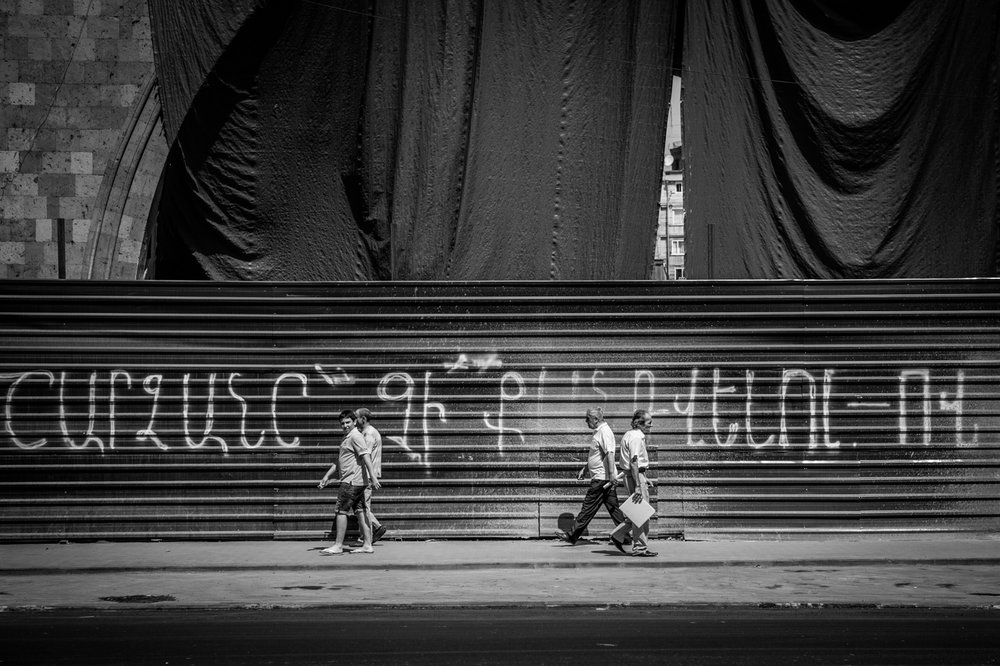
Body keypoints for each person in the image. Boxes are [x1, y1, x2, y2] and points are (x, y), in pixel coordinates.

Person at [554, 407, 630, 552]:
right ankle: (625, 536)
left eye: (587, 418)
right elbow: (597, 455)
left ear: (596, 419)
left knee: (588, 507)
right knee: (614, 509)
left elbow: (610, 454)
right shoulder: (599, 432)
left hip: (601, 479)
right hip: (603, 477)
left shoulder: (604, 432)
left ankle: (571, 535)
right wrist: (585, 468)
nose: (585, 421)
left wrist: (612, 475)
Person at [318, 410, 381, 554]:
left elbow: (366, 456)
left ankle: (338, 545)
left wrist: (373, 475)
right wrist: (327, 476)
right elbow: (340, 460)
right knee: (361, 512)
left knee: (341, 511)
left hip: (351, 481)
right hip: (357, 481)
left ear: (354, 422)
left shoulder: (355, 436)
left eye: (348, 422)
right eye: (342, 423)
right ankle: (367, 544)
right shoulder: (348, 437)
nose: (345, 425)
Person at [619, 409, 657, 557]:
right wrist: (637, 485)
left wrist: (644, 477)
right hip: (635, 478)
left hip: (635, 475)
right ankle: (640, 548)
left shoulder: (630, 434)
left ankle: (618, 535)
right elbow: (634, 461)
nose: (651, 426)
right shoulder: (636, 437)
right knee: (641, 514)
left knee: (639, 512)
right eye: (649, 423)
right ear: (640, 424)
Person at [355, 408, 387, 545]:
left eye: (356, 417)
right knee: (361, 506)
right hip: (367, 475)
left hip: (366, 475)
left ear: (363, 419)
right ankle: (365, 535)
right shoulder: (370, 432)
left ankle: (375, 529)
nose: (354, 420)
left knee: (362, 508)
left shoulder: (368, 434)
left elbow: (364, 455)